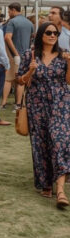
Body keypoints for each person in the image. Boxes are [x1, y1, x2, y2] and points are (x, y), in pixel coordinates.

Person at [17, 22, 70, 208]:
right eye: (49, 32)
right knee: (40, 143)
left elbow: (68, 80)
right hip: (37, 105)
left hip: (60, 103)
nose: (53, 35)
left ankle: (61, 189)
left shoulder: (64, 55)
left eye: (55, 33)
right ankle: (46, 183)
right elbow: (20, 80)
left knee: (59, 140)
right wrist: (30, 71)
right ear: (41, 35)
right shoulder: (29, 55)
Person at [3, 2, 33, 110]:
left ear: (13, 10)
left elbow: (7, 37)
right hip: (26, 55)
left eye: (8, 11)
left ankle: (4, 103)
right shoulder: (29, 23)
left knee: (8, 79)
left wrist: (15, 53)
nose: (8, 13)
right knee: (21, 80)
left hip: (13, 55)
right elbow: (32, 37)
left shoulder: (12, 22)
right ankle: (19, 104)